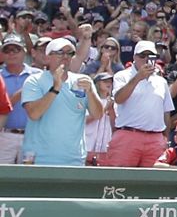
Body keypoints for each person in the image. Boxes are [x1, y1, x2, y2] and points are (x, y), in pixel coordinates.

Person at [21, 37, 103, 165]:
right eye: (59, 52)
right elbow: (34, 114)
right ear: (48, 57)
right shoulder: (34, 80)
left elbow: (98, 114)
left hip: (74, 159)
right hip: (40, 158)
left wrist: (91, 93)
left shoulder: (83, 80)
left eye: (69, 53)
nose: (65, 56)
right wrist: (55, 88)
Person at [104, 40, 172, 167]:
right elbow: (118, 99)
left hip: (155, 138)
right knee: (121, 181)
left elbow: (166, 112)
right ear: (134, 57)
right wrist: (137, 78)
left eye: (151, 56)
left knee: (154, 183)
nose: (146, 59)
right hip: (128, 135)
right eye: (142, 55)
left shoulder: (161, 81)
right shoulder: (122, 76)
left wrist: (165, 138)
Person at [0, 35, 40, 164]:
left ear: (24, 52)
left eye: (16, 49)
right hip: (4, 135)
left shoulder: (38, 75)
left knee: (29, 180)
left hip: (32, 136)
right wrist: (15, 98)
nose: (11, 53)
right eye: (7, 50)